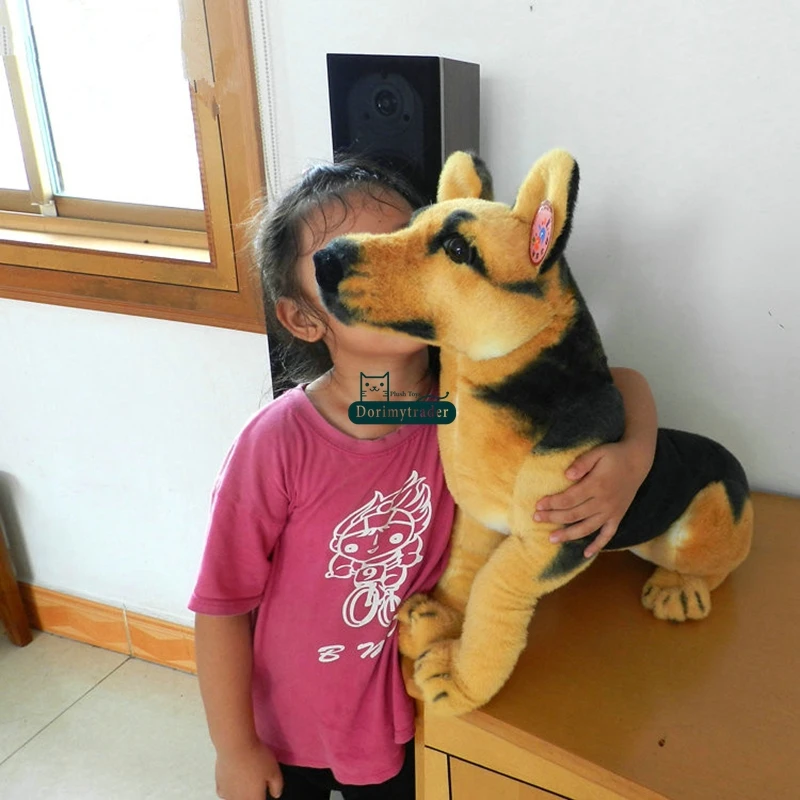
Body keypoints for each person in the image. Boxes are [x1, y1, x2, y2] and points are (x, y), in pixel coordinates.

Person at [189, 158, 658, 800]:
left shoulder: (461, 406)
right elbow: (221, 604)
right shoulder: (276, 443)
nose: (393, 262)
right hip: (290, 730)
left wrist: (633, 457)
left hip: (412, 711)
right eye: (351, 253)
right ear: (304, 319)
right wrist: (234, 748)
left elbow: (617, 382)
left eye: (407, 239)